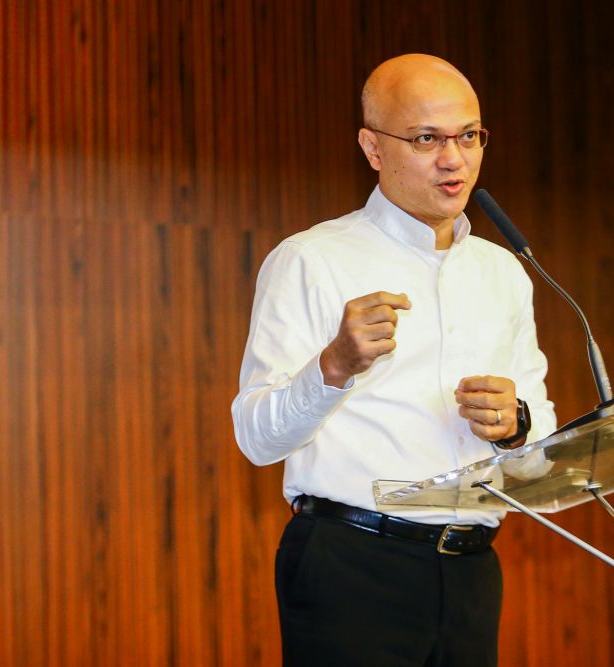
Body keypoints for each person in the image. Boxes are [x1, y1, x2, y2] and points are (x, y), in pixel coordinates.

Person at [231, 54, 556, 667]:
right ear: (373, 148)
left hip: (472, 566)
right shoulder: (311, 260)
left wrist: (516, 423)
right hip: (353, 567)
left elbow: (538, 436)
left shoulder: (503, 271)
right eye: (427, 138)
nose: (453, 159)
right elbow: (255, 437)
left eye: (469, 135)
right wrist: (333, 367)